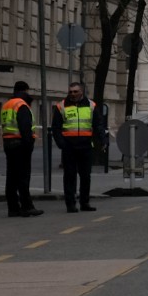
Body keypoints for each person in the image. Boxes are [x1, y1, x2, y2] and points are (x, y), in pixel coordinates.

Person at [53, 81, 97, 212]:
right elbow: (56, 127)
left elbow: (97, 124)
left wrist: (101, 139)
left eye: (75, 91)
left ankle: (85, 203)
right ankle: (70, 204)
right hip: (69, 147)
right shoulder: (61, 106)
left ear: (81, 92)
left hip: (85, 146)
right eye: (71, 91)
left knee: (85, 176)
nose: (72, 94)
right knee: (69, 176)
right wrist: (61, 143)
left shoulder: (91, 105)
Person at [1, 81, 43, 217]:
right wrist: (29, 144)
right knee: (23, 177)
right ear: (25, 90)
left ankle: (13, 208)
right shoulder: (21, 105)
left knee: (11, 177)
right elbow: (25, 127)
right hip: (20, 144)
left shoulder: (7, 104)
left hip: (8, 143)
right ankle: (27, 206)